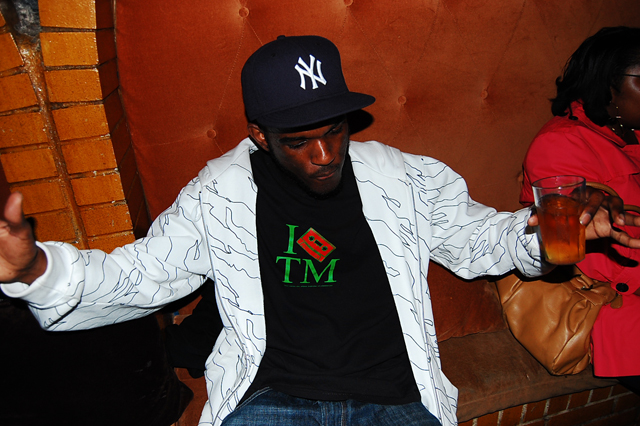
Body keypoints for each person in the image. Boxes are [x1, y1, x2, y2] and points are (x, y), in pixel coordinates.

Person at [1, 35, 639, 426]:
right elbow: (141, 276)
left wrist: (546, 230)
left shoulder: (400, 176)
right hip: (274, 402)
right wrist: (36, 270)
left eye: (334, 131)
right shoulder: (220, 193)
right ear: (260, 135)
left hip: (396, 402)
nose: (325, 155)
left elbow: (478, 240)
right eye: (298, 142)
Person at [520, 26, 640, 393]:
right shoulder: (560, 144)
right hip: (615, 306)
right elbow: (602, 260)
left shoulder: (631, 134)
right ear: (608, 86)